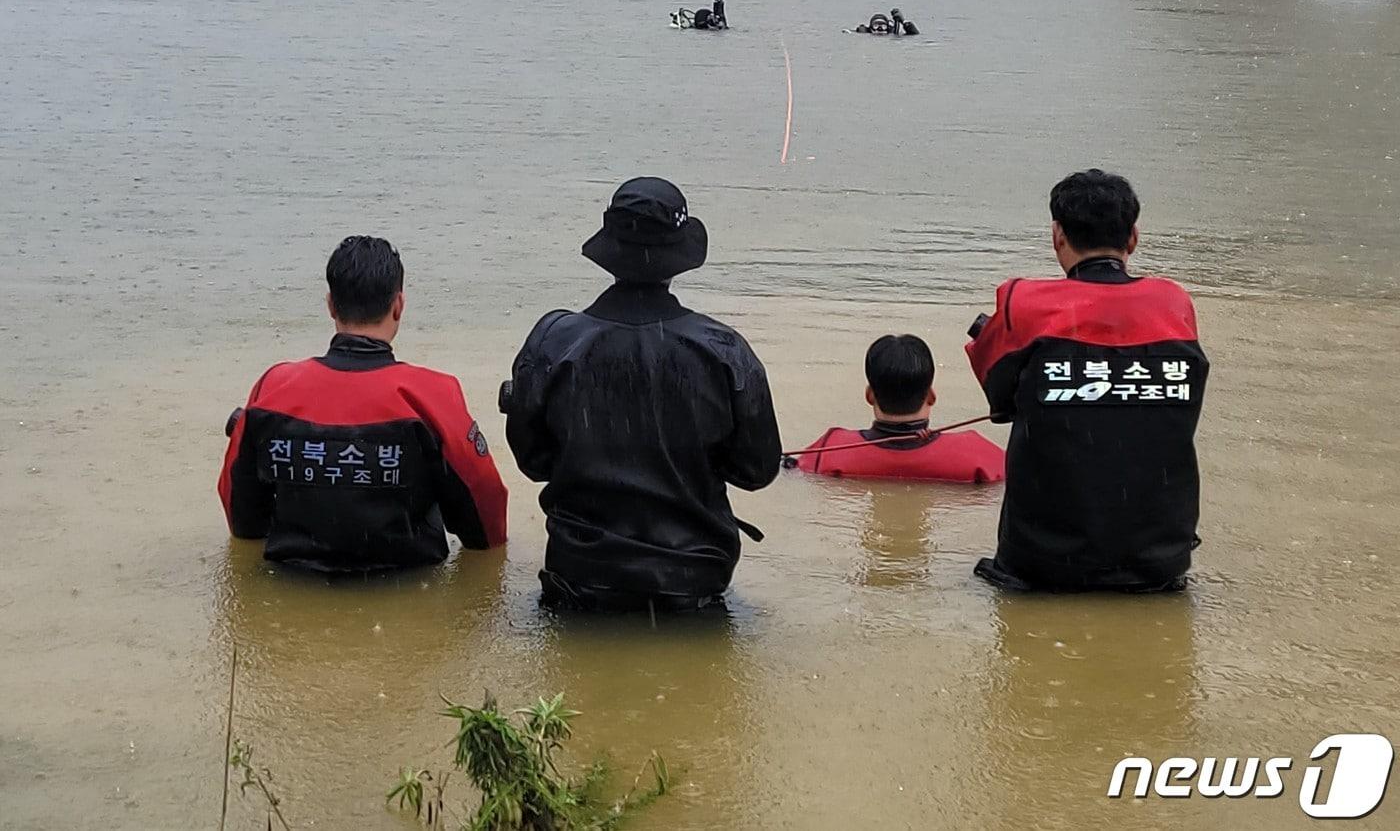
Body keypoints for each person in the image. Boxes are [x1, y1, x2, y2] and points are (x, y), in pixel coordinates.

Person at [503, 177, 781, 612]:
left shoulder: (553, 341)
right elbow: (757, 470)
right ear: (679, 255)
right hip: (693, 581)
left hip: (581, 575)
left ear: (611, 249)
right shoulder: (724, 350)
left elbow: (533, 462)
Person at [965, 171, 1208, 593]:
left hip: (1042, 565)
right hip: (1160, 564)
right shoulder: (1174, 304)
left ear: (1057, 235)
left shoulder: (1023, 302)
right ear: (1132, 237)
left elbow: (999, 401)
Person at [218, 235, 508, 575]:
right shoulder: (433, 394)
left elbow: (240, 512)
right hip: (406, 584)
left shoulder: (273, 388)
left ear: (330, 305)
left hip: (296, 578)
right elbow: (484, 510)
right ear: (398, 305)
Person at [789, 334, 1004, 482]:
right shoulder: (980, 456)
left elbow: (793, 470)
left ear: (869, 395)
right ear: (931, 396)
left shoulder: (826, 452)